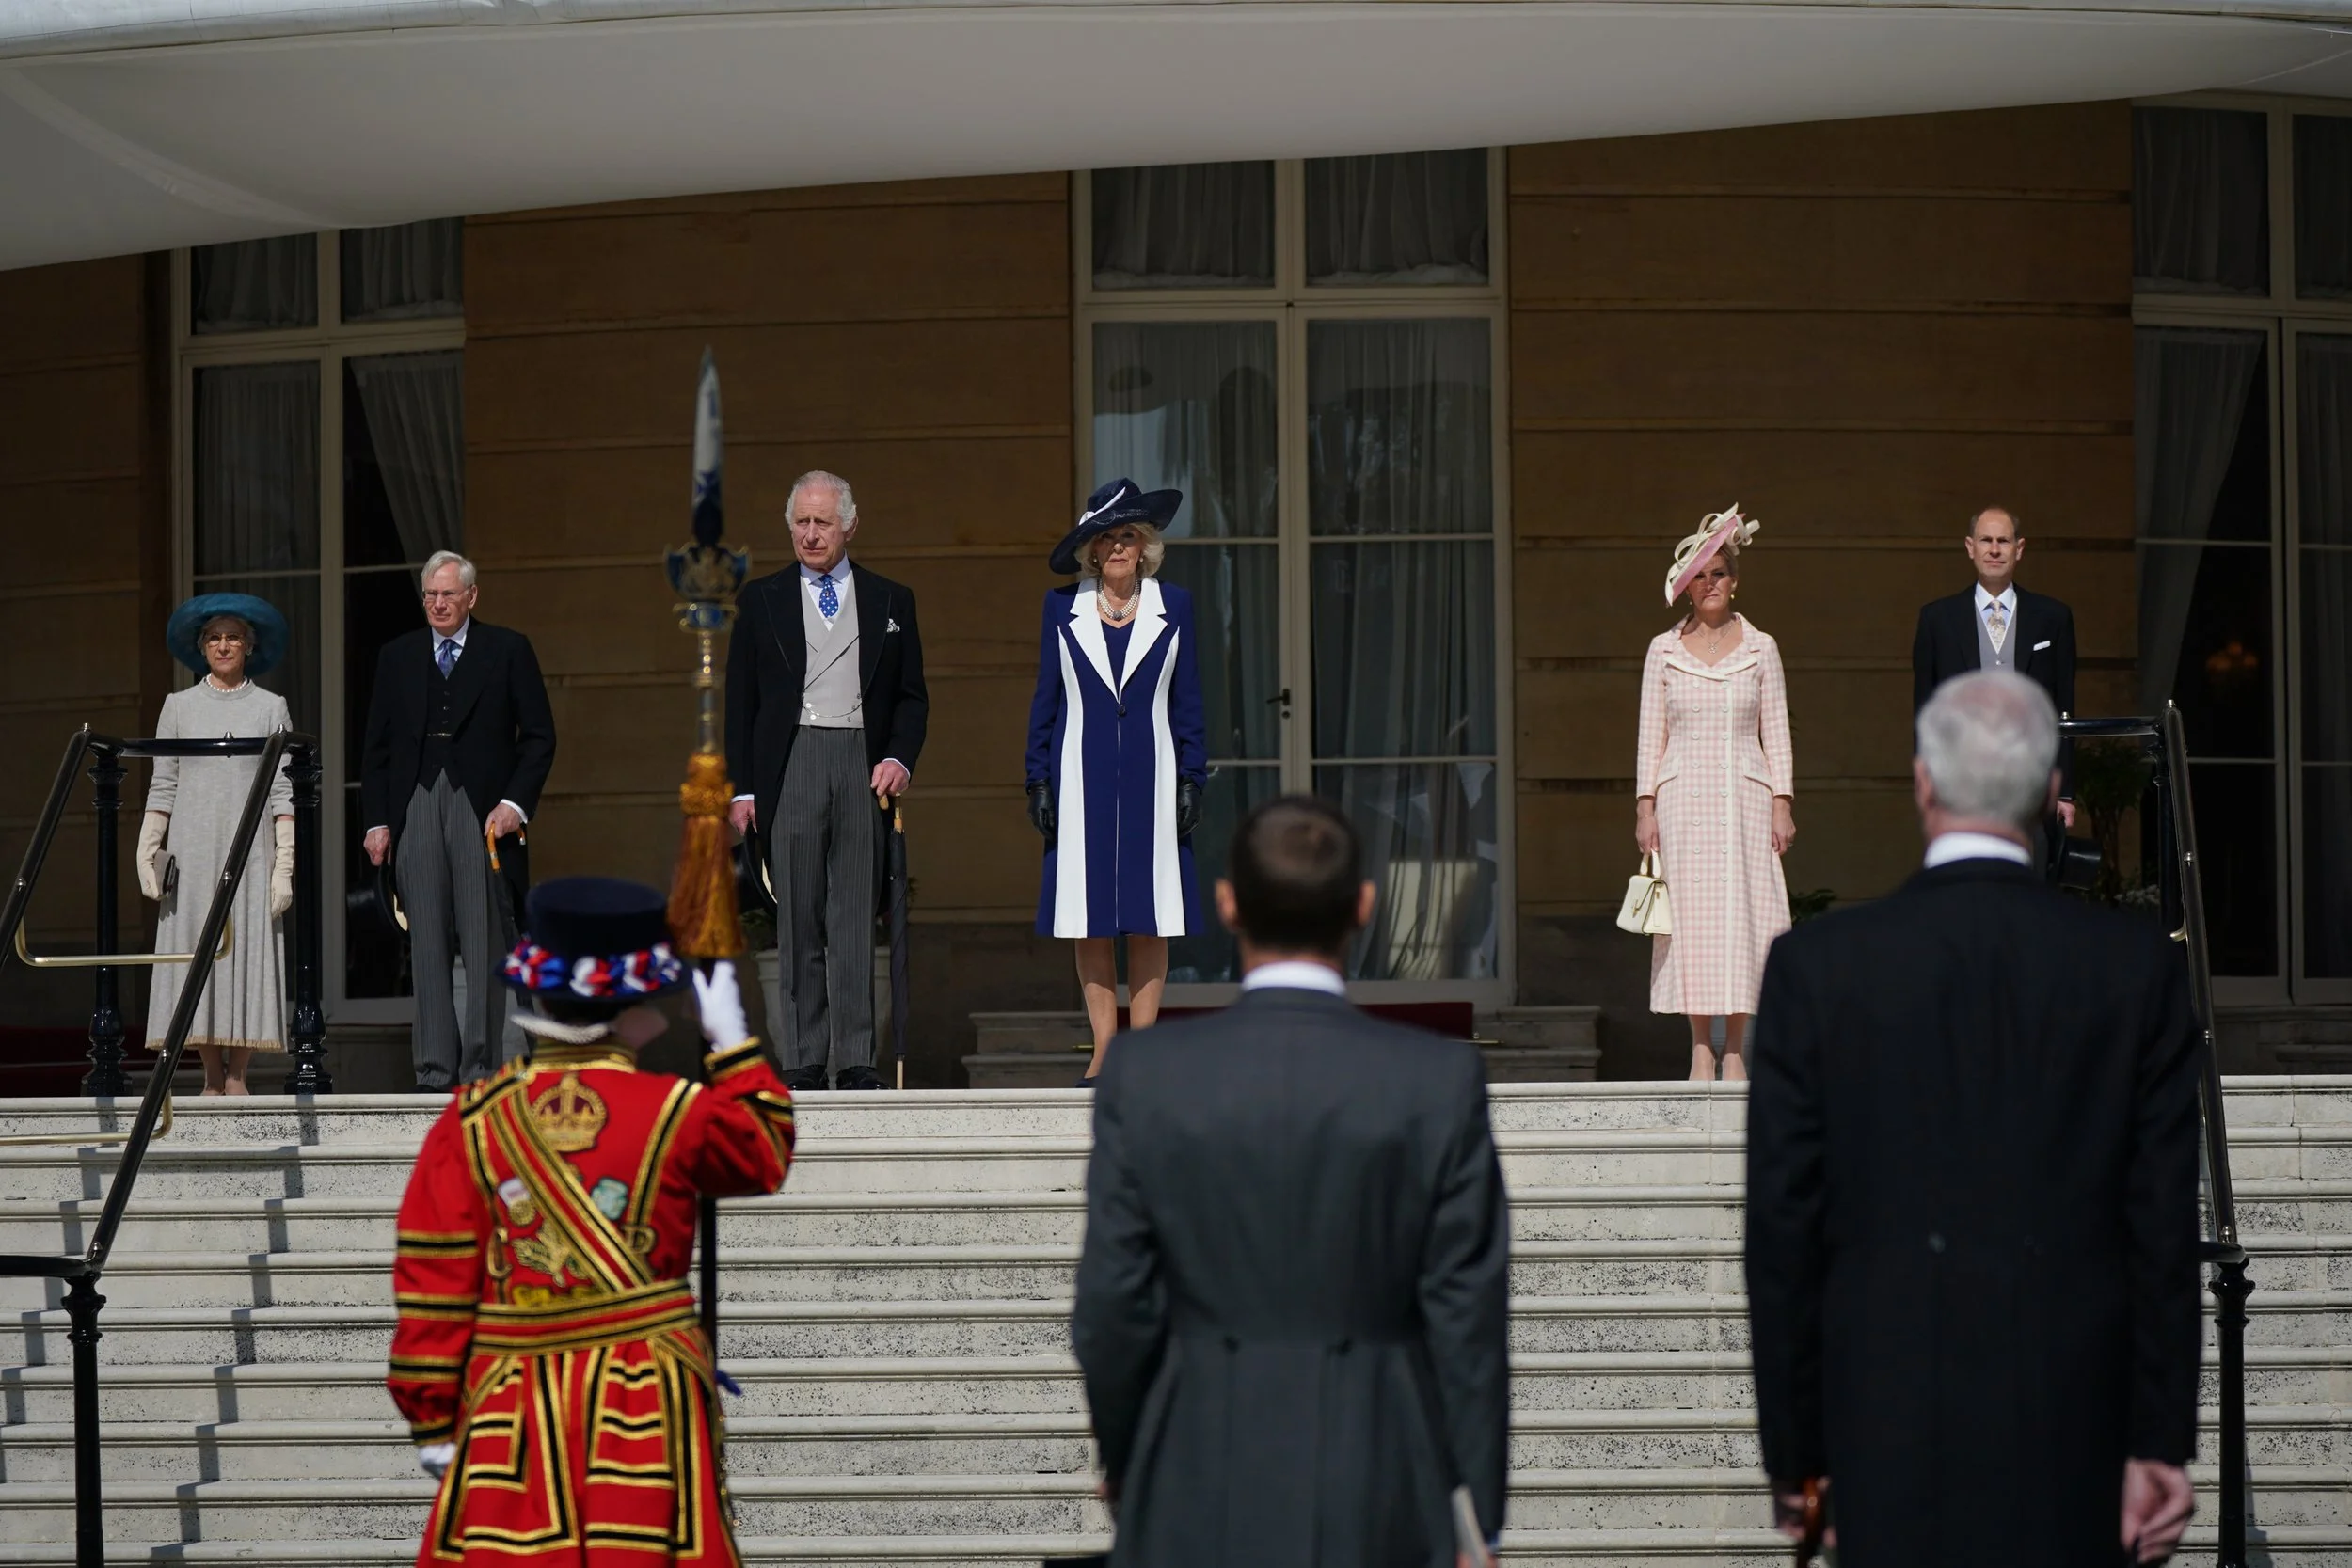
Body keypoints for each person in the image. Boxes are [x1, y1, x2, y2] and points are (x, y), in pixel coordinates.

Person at [1744, 671, 2201, 1568]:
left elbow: (1784, 1233)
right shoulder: (2133, 967)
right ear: (2050, 797)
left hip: (1882, 1433)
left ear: (1922, 781)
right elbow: (2159, 1220)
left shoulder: (1818, 968)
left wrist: (1799, 1460)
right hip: (2076, 1430)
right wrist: (2158, 1438)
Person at [1072, 794, 1510, 1567]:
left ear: (1228, 903)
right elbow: (1467, 1316)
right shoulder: (1436, 1077)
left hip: (1193, 1476)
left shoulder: (1145, 1075)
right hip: (1383, 1479)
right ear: (1365, 906)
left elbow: (1112, 1305)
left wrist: (1130, 1458)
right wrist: (1477, 1514)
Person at [387, 876, 796, 1567]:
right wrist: (733, 1046)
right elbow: (765, 1150)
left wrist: (432, 1413)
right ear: (635, 1005)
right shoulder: (677, 1109)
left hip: (510, 1403)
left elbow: (434, 1278)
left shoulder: (470, 1119)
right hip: (644, 1406)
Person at [724, 470, 928, 1093]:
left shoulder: (892, 599)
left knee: (852, 916)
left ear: (849, 526)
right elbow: (741, 701)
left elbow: (913, 697)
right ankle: (807, 1057)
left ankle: (858, 1058)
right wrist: (743, 788)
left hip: (861, 758)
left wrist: (899, 757)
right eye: (802, 523)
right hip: (792, 761)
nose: (811, 534)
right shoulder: (761, 600)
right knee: (798, 918)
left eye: (823, 522)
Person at [1024, 478, 1207, 1085]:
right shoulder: (1061, 608)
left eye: (1130, 534)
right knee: (1091, 913)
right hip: (1082, 778)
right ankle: (1106, 1046)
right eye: (1109, 536)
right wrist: (1037, 778)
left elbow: (1189, 702)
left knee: (1152, 913)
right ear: (1093, 551)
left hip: (1154, 776)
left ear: (1146, 545)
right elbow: (1045, 701)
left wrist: (1192, 776)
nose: (1121, 545)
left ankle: (1145, 1047)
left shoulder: (1173, 605)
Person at [361, 550, 557, 1092]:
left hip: (483, 810)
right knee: (425, 942)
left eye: (448, 594)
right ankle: (432, 1070)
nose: (438, 604)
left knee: (483, 941)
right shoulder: (398, 656)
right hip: (416, 806)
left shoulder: (507, 649)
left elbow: (539, 736)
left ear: (471, 596)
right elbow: (375, 747)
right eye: (430, 594)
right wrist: (377, 820)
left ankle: (480, 1067)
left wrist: (515, 805)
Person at [1632, 506, 1795, 1083]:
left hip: (1745, 800)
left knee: (1745, 918)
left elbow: (1775, 728)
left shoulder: (1762, 647)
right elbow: (1652, 732)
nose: (1710, 584)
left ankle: (1737, 1049)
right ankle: (1702, 1045)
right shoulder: (1663, 650)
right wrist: (1645, 806)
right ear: (1687, 586)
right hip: (1683, 801)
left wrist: (1782, 801)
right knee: (1694, 921)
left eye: (1719, 573)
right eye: (1700, 575)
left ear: (1735, 581)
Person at [136, 594, 296, 1095]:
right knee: (197, 951)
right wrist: (147, 849)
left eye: (233, 637)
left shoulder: (271, 707)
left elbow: (282, 789)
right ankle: (208, 1076)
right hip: (193, 845)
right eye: (214, 638)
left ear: (249, 647)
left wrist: (284, 864)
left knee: (247, 947)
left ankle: (238, 1076)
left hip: (250, 849)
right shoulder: (177, 707)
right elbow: (163, 781)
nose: (223, 645)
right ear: (201, 647)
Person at [1910, 505, 2079, 840]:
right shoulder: (1937, 619)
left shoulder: (2053, 617)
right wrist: (1927, 784)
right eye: (1986, 540)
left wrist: (2066, 790)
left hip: (2034, 781)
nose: (1995, 549)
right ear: (1970, 547)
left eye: (2003, 540)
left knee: (2032, 881)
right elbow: (1925, 710)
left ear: (2019, 549)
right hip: (1959, 783)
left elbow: (2065, 705)